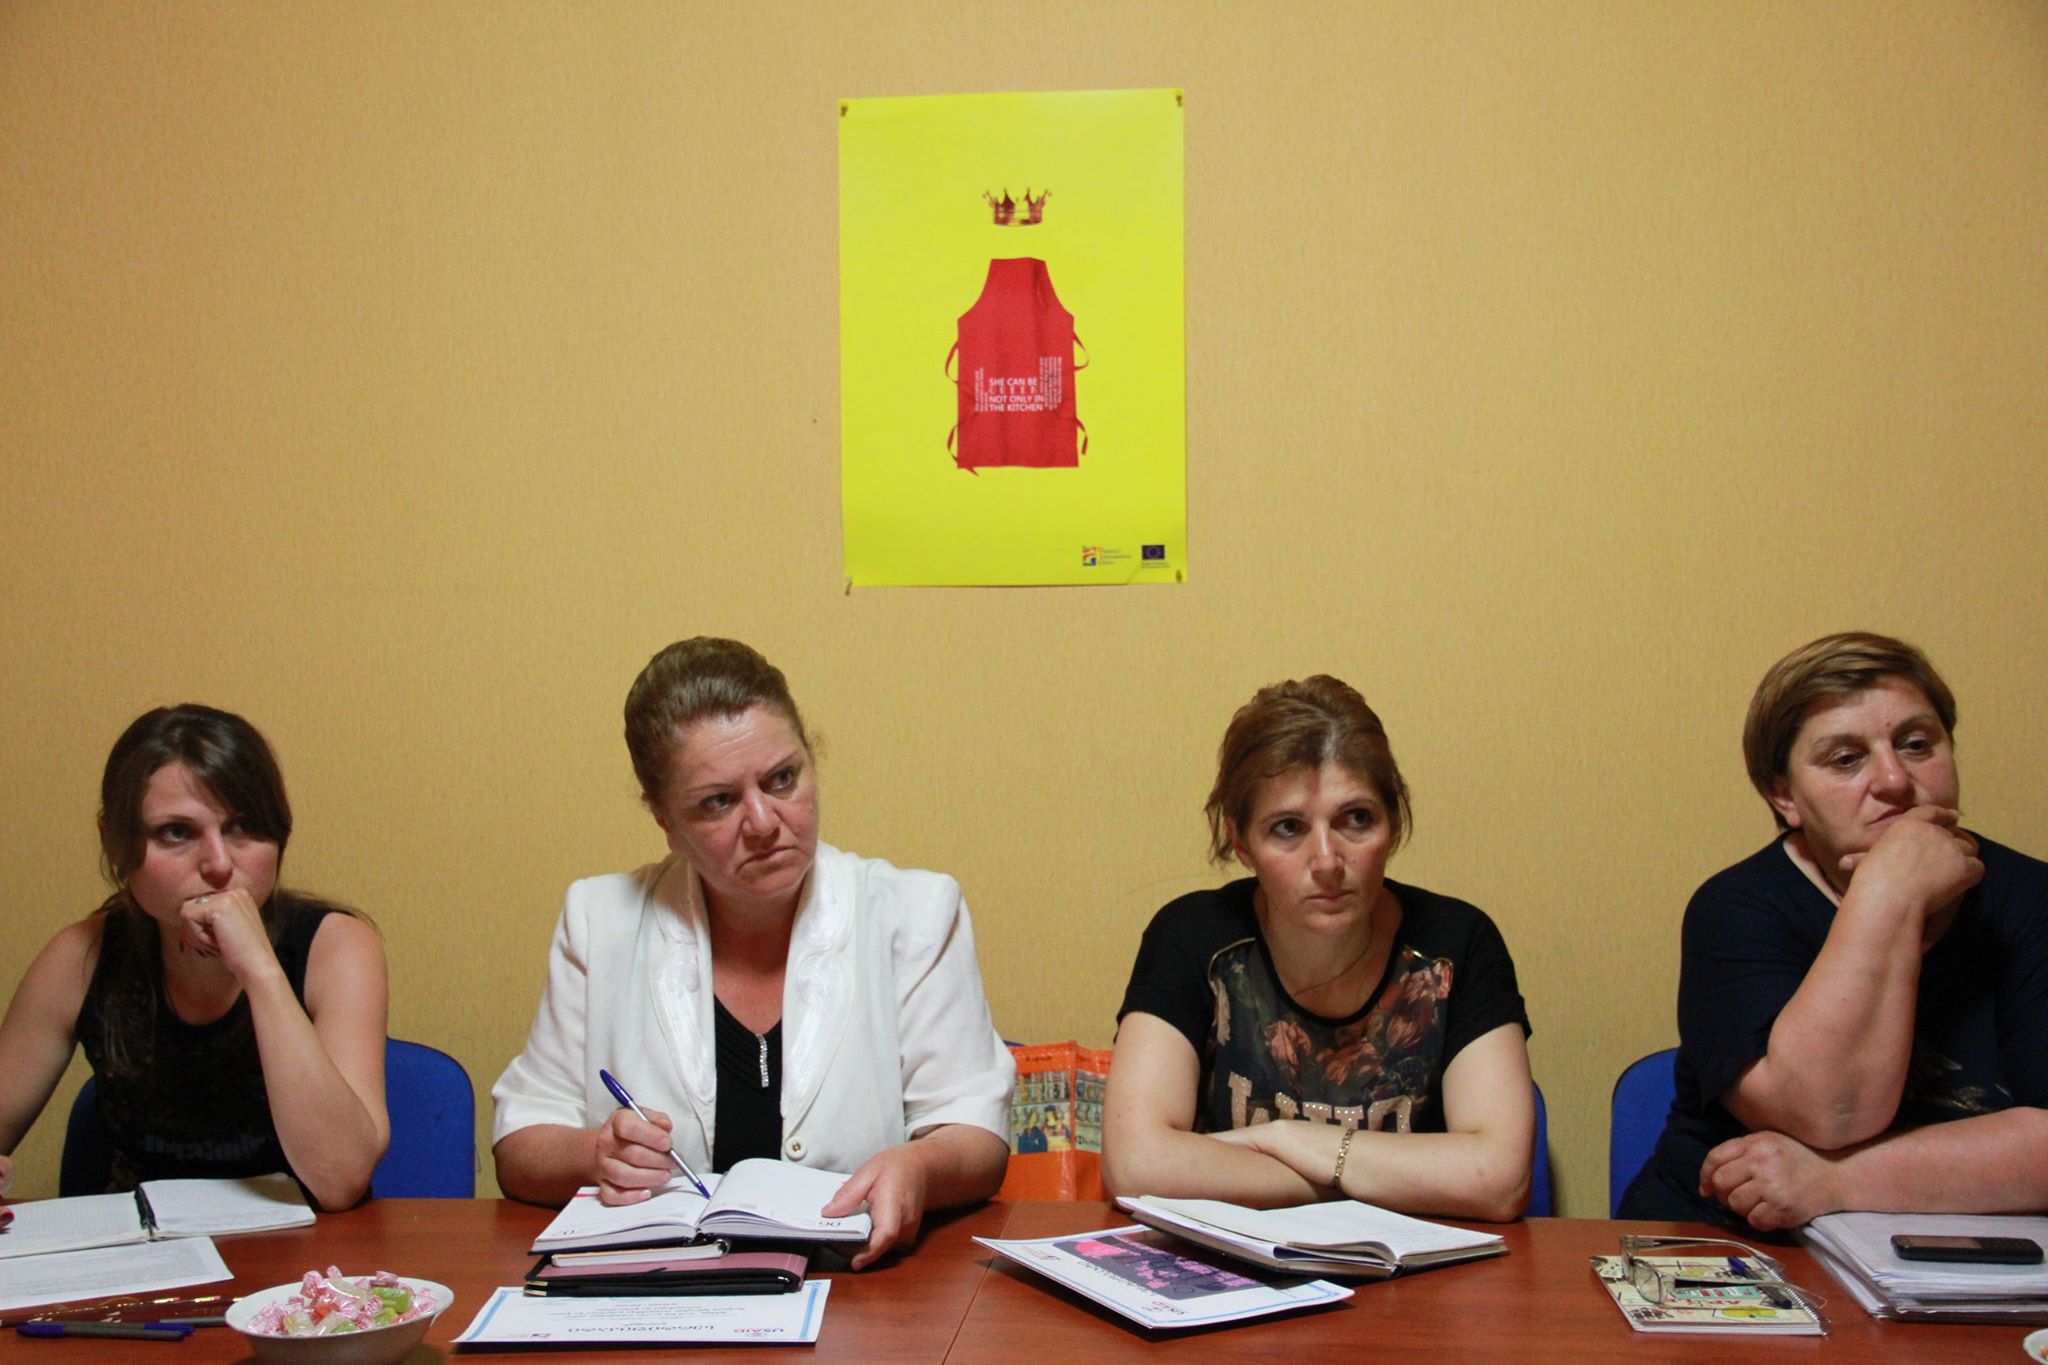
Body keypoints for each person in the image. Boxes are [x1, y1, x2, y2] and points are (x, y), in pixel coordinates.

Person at [491, 638, 1013, 1268]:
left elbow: (977, 1137)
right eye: (719, 801)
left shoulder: (915, 912)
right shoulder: (600, 920)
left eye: (782, 779)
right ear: (665, 820)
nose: (764, 822)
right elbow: (520, 1144)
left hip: (858, 1290)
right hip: (659, 1291)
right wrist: (595, 1154)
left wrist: (921, 1167)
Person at [1621, 631, 2048, 1230]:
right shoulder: (1735, 908)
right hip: (1736, 1241)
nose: (1894, 780)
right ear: (1784, 795)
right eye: (1847, 759)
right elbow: (1825, 1113)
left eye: (1917, 744)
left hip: (1977, 1248)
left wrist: (1835, 1181)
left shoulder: (2032, 900)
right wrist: (1888, 894)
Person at [1101, 676, 1534, 1220]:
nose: (1327, 861)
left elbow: (1499, 1179)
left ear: (1394, 823)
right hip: (1225, 1264)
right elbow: (1136, 1166)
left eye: (1357, 819)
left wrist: (1289, 1140)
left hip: (1408, 1266)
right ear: (1240, 842)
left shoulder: (1456, 945)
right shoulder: (1192, 937)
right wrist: (1367, 1180)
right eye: (1288, 828)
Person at [0, 706, 389, 1210]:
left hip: (304, 1247)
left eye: (242, 827)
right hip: (142, 1246)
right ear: (114, 842)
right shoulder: (83, 956)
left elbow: (340, 1179)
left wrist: (260, 969)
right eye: (177, 833)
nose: (219, 865)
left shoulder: (336, 946)